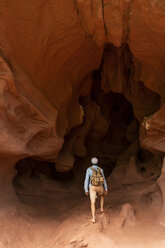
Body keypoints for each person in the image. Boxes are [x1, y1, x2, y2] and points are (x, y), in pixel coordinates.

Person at [84, 157, 108, 223]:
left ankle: (93, 218)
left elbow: (86, 180)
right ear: (97, 162)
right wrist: (106, 188)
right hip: (100, 186)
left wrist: (86, 189)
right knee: (102, 196)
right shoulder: (101, 169)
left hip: (92, 187)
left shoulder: (89, 169)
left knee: (92, 202)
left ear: (91, 162)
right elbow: (104, 180)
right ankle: (101, 208)